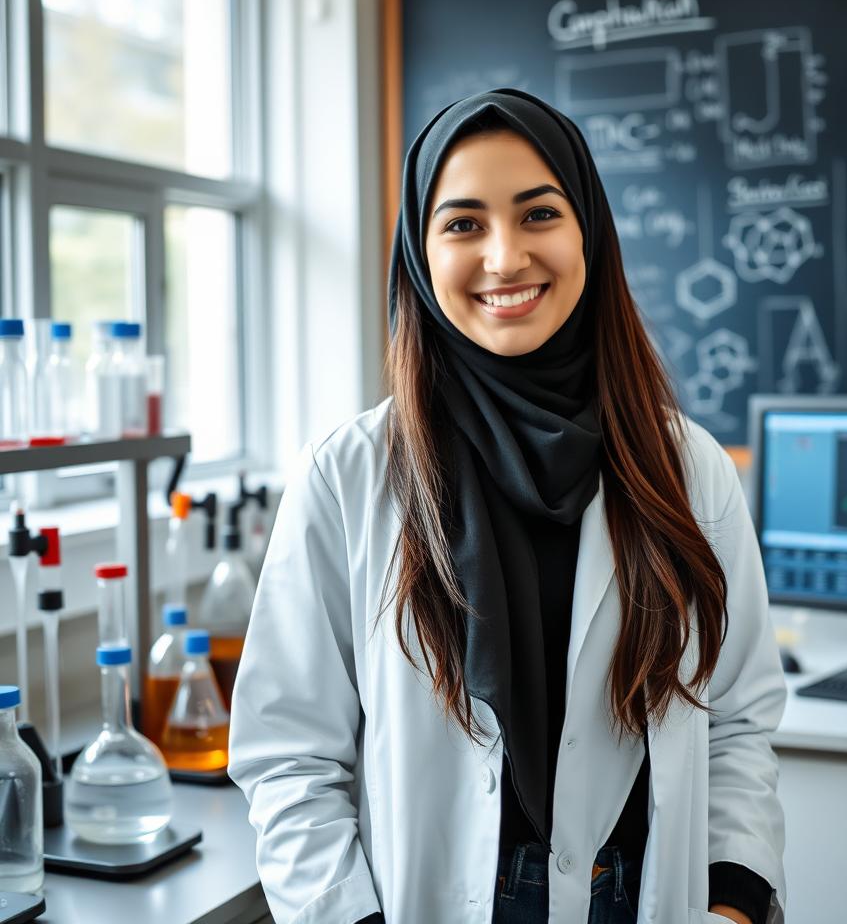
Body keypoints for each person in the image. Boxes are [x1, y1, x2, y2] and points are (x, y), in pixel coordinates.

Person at [228, 89, 787, 924]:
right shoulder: (350, 475)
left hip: (639, 899)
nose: (504, 257)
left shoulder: (687, 467)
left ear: (587, 230)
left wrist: (732, 905)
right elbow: (289, 757)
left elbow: (737, 723)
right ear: (420, 253)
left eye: (538, 215)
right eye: (463, 224)